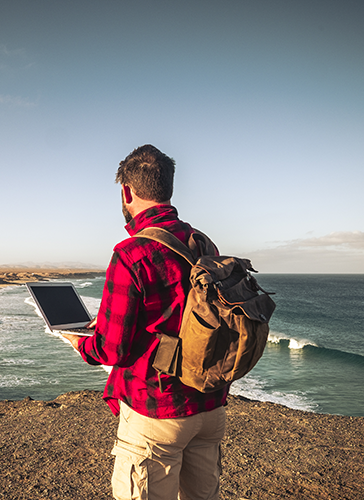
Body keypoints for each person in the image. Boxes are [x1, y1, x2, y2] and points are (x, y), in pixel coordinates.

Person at [62, 144, 229, 500]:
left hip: (158, 410)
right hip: (210, 404)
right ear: (167, 187)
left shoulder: (131, 254)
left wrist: (81, 342)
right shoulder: (204, 244)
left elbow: (111, 349)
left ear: (127, 191)